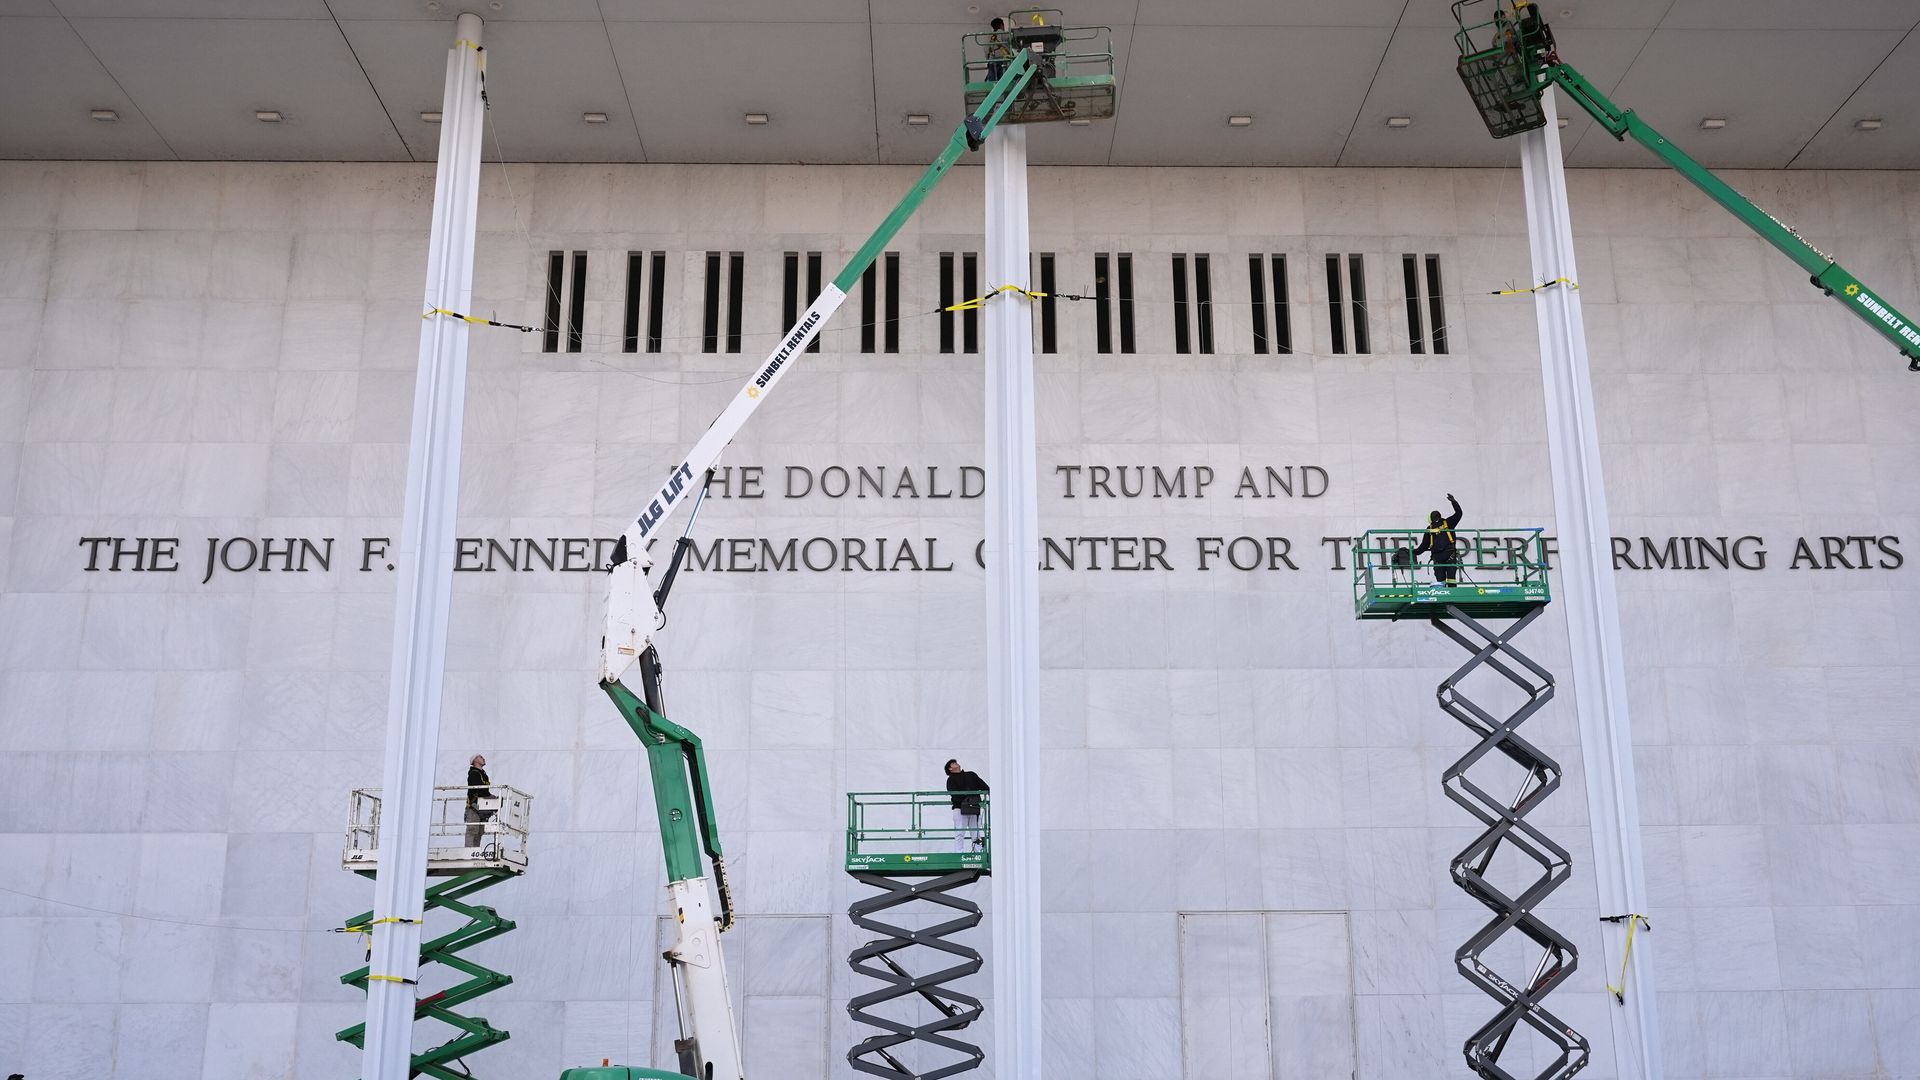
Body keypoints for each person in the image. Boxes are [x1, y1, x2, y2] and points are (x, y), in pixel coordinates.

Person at [1413, 493, 1464, 586]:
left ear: (1430, 519)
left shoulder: (1429, 529)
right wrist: (1454, 502)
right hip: (1450, 555)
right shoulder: (1448, 522)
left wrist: (1412, 552)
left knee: (1441, 581)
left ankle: (1443, 593)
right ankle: (1452, 593)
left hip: (1437, 557)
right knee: (1451, 579)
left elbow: (1424, 546)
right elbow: (1459, 513)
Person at [944, 759, 988, 852]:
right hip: (960, 808)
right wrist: (968, 799)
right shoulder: (950, 780)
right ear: (950, 768)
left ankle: (978, 853)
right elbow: (954, 794)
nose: (956, 763)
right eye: (953, 763)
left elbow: (984, 786)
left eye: (956, 762)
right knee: (960, 833)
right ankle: (959, 854)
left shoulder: (971, 775)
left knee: (976, 833)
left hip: (973, 808)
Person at [465, 754, 494, 850]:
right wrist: (489, 796)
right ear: (475, 760)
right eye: (480, 757)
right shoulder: (473, 773)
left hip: (481, 807)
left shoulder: (483, 774)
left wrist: (490, 797)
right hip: (474, 806)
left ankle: (475, 852)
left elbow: (484, 790)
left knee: (479, 832)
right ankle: (468, 852)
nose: (483, 758)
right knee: (472, 830)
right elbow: (479, 790)